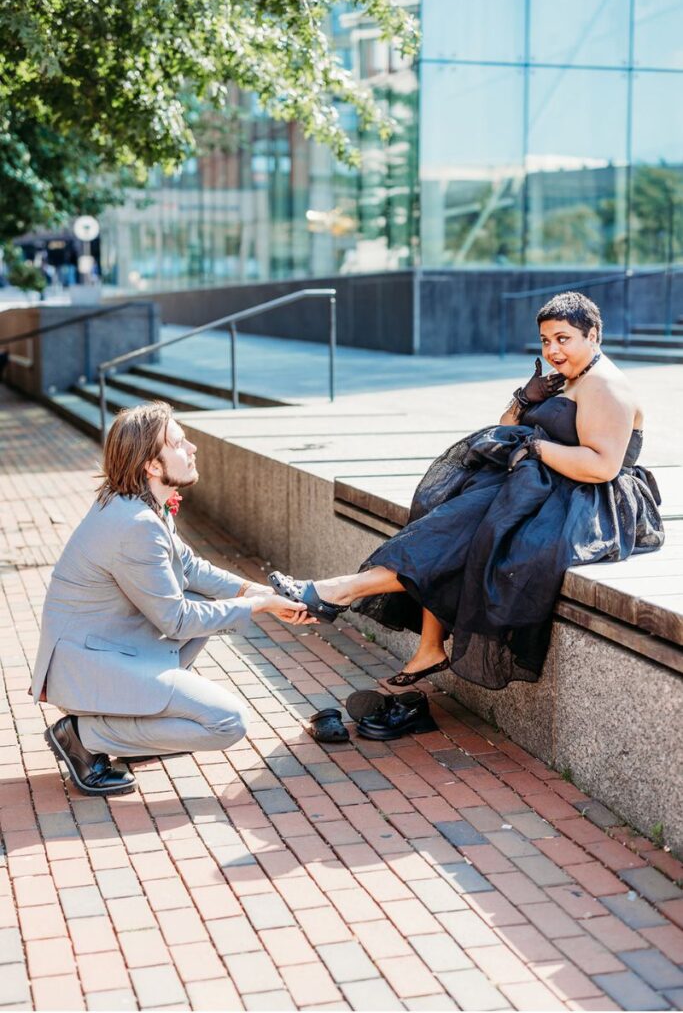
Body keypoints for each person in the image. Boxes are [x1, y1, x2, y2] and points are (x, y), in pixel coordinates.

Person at [270, 292, 664, 691]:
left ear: (592, 335)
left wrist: (536, 448)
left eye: (563, 339)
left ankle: (337, 591)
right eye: (546, 341)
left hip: (587, 500)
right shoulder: (570, 376)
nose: (553, 350)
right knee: (442, 508)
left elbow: (601, 467)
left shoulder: (605, 386)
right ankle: (424, 643)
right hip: (543, 480)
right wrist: (526, 399)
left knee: (462, 530)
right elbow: (508, 422)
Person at [33, 402, 312, 796]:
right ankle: (85, 735)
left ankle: (129, 724)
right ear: (151, 465)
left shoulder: (139, 502)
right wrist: (258, 607)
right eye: (179, 443)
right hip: (88, 664)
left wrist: (258, 591)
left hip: (105, 647)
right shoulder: (136, 525)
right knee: (227, 722)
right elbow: (177, 621)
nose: (192, 448)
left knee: (199, 593)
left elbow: (192, 568)